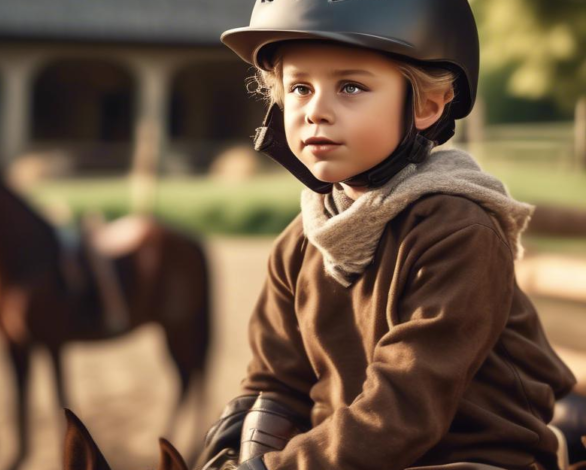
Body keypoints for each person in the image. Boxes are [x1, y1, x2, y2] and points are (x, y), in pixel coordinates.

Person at [195, 1, 577, 469]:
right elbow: (275, 383)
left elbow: (406, 406)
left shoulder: (460, 232)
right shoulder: (301, 241)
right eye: (299, 87)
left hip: (470, 457)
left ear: (428, 105)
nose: (316, 111)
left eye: (351, 86)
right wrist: (246, 446)